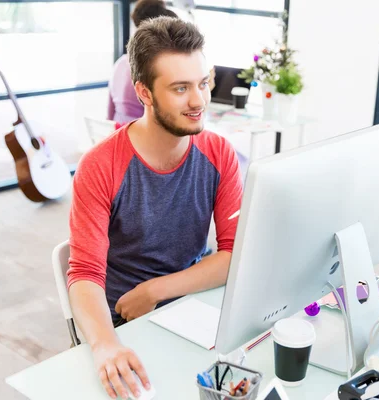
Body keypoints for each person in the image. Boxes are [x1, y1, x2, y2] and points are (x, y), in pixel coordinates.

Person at [68, 17, 242, 399]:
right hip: (126, 316)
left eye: (202, 83)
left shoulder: (219, 153)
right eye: (180, 88)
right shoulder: (101, 165)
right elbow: (83, 274)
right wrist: (104, 344)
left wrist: (157, 289)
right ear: (144, 93)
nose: (198, 100)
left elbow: (233, 255)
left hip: (196, 303)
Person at [107, 0, 178, 123]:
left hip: (117, 129)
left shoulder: (120, 63)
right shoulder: (154, 68)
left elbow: (109, 113)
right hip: (141, 133)